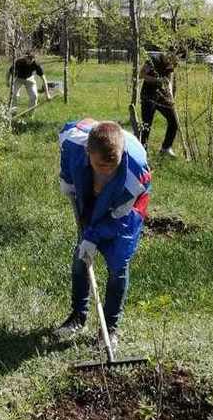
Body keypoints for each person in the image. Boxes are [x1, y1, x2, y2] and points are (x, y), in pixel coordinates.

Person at [53, 119, 151, 350]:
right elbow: (67, 157)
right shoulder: (74, 142)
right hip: (90, 197)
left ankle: (110, 328)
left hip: (126, 211)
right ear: (88, 152)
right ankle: (78, 316)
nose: (106, 171)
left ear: (121, 153)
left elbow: (121, 219)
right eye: (100, 166)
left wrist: (93, 236)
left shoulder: (134, 173)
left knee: (118, 265)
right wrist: (67, 181)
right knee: (81, 260)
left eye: (112, 165)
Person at [139, 52, 178, 157]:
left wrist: (171, 98)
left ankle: (166, 148)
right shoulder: (153, 59)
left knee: (174, 122)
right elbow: (141, 74)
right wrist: (157, 80)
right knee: (147, 125)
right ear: (169, 54)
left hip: (162, 96)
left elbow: (168, 81)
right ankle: (142, 150)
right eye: (174, 58)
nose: (173, 62)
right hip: (148, 96)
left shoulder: (172, 63)